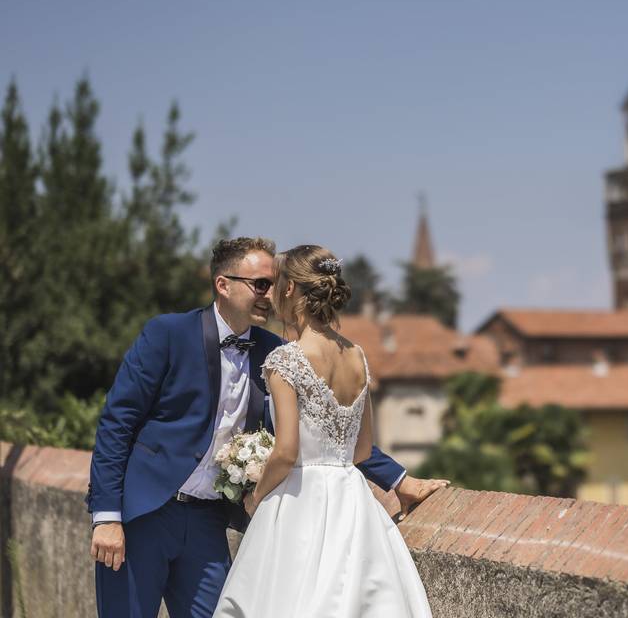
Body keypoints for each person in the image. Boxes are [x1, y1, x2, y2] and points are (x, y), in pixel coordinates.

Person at [87, 237, 446, 618]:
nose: (271, 294)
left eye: (274, 284)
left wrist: (399, 481)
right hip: (145, 515)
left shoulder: (276, 352)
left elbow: (329, 431)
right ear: (223, 284)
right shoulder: (168, 334)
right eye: (260, 284)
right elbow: (116, 424)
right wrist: (107, 516)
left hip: (208, 524)